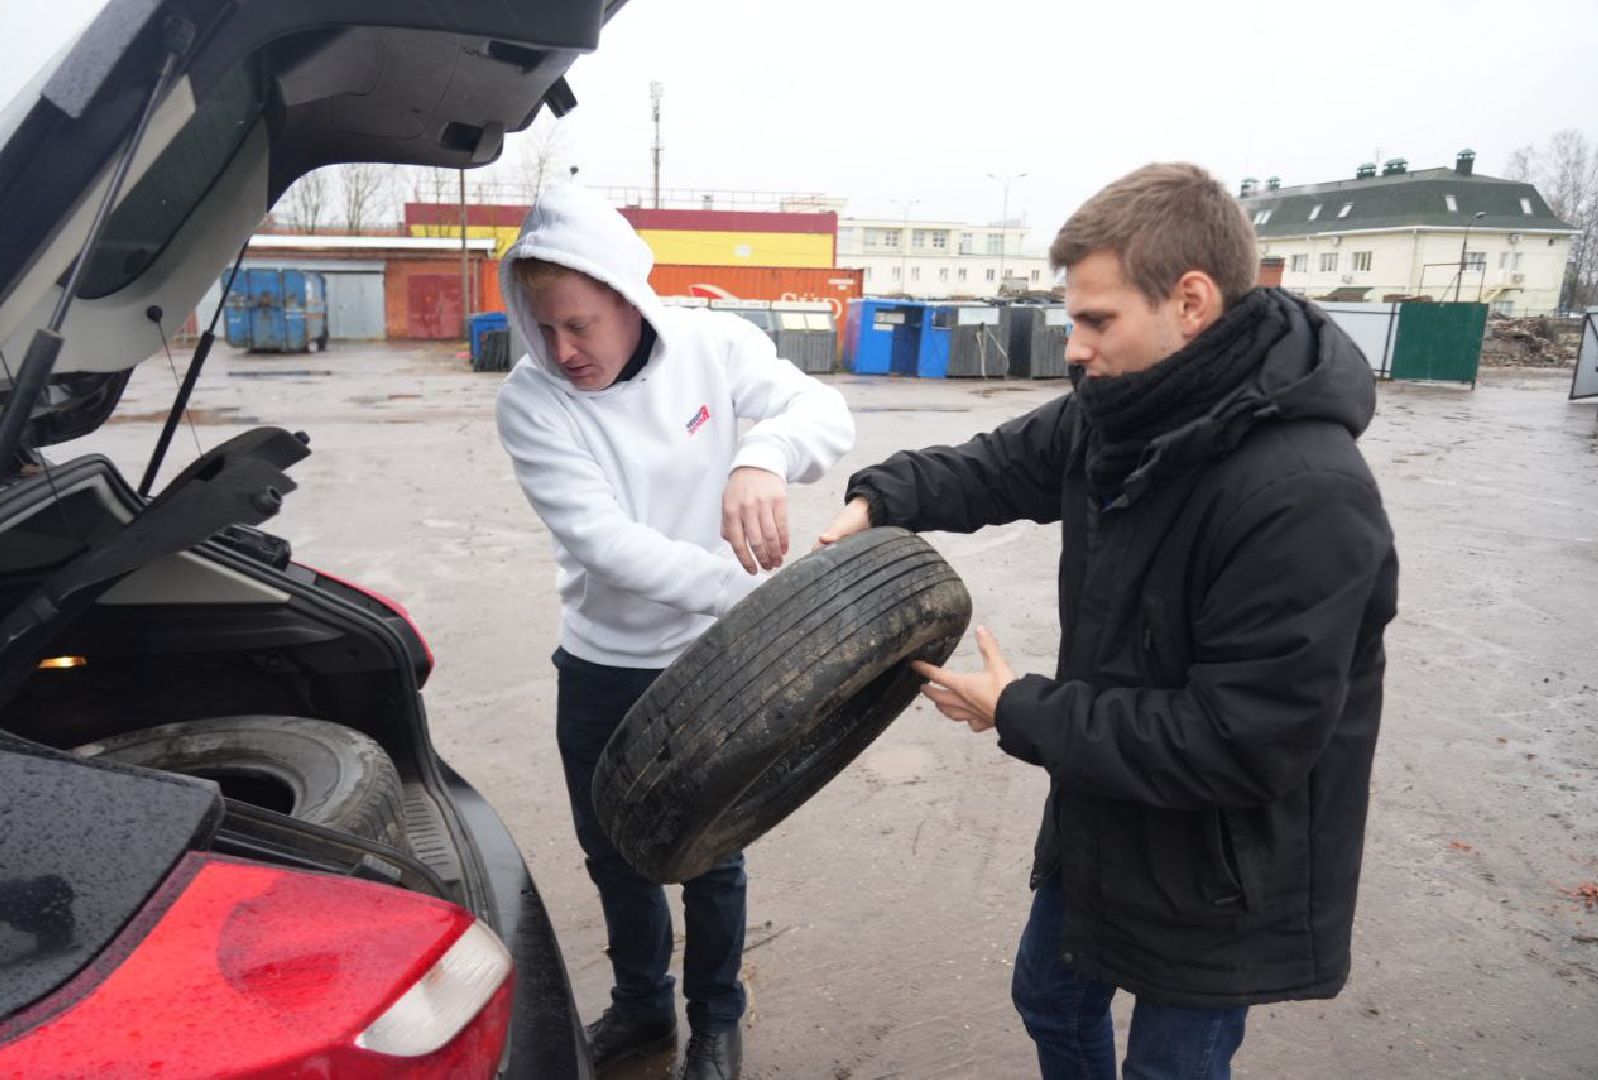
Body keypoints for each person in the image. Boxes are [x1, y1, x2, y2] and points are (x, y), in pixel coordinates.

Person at [819, 163, 1398, 1079]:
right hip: (1111, 792)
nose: (1074, 348)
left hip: (1223, 856)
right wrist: (883, 497)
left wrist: (1018, 710)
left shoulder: (1305, 496)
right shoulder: (1122, 411)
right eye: (1070, 319)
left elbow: (1246, 740)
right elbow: (1000, 465)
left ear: (1192, 301)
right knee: (1048, 997)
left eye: (1096, 321)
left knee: (1167, 1069)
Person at [496, 183, 854, 1080]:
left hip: (709, 668)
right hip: (602, 664)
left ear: (628, 296)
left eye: (579, 324)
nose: (562, 349)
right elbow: (606, 544)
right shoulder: (532, 401)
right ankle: (642, 1009)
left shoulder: (714, 346)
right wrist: (752, 599)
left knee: (710, 855)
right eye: (543, 328)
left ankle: (717, 1022)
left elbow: (826, 416)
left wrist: (758, 455)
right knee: (612, 853)